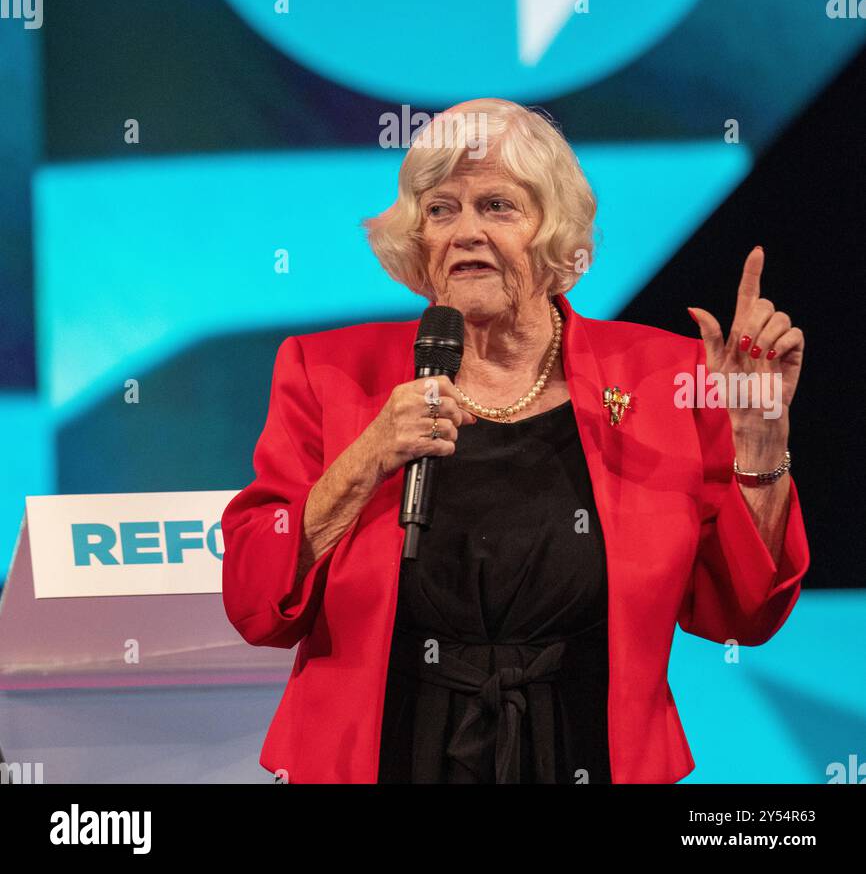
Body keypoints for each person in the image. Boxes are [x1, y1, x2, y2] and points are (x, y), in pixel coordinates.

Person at [221, 99, 809, 783]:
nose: (465, 231)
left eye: (497, 206)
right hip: (391, 754)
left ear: (554, 233)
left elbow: (743, 614)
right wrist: (366, 458)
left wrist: (761, 447)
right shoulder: (328, 373)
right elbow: (256, 602)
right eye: (441, 210)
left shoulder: (663, 377)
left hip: (582, 752)